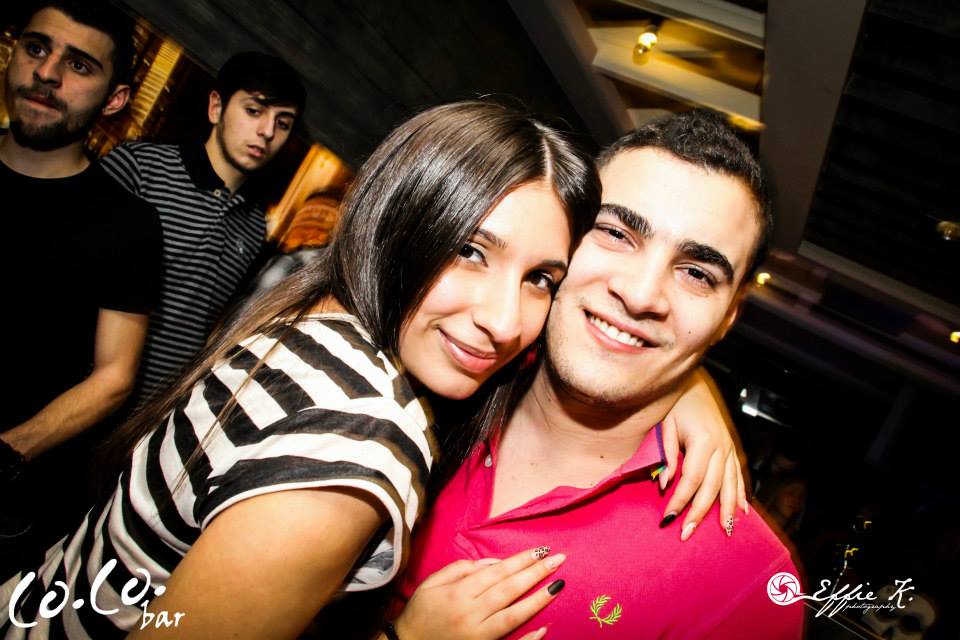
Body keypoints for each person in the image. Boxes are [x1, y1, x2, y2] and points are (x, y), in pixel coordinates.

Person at [0, 101, 742, 640]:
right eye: (470, 251)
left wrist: (681, 382)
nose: (501, 317)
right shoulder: (358, 432)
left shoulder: (318, 309)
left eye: (539, 278)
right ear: (405, 227)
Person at [392, 110, 805, 639]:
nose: (640, 294)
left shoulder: (747, 586)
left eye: (696, 273)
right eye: (615, 233)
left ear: (727, 317)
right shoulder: (443, 369)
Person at [0, 0, 161, 569]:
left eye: (79, 65)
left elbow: (114, 377)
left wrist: (9, 452)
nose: (47, 73)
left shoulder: (128, 225)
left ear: (114, 99)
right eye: (36, 48)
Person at [99, 51, 306, 406]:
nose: (267, 132)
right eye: (253, 111)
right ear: (216, 107)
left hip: (154, 414)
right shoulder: (140, 167)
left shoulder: (253, 224)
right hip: (81, 393)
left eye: (283, 123)